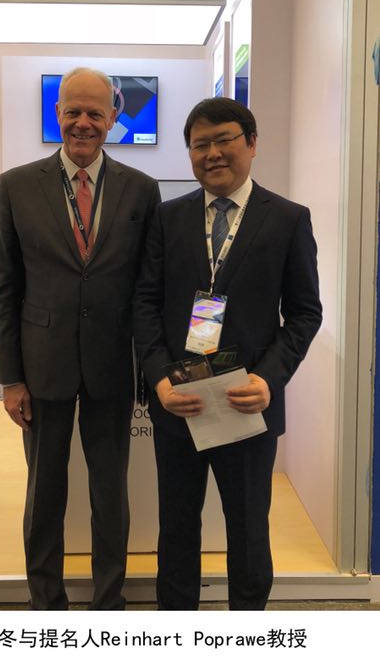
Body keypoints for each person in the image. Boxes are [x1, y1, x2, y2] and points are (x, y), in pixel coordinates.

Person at [133, 97, 322, 611]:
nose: (212, 153)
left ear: (252, 144)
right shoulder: (167, 218)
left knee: (248, 529)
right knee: (176, 527)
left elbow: (305, 313)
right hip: (180, 403)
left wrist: (268, 379)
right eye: (200, 145)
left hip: (247, 405)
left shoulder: (287, 219)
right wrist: (159, 379)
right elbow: (145, 304)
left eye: (224, 140)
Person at [0, 67, 161, 610]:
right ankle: (47, 604)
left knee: (110, 493)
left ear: (113, 116)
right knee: (44, 493)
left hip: (112, 365)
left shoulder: (142, 189)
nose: (83, 123)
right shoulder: (16, 185)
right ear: (57, 114)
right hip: (42, 368)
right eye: (73, 112)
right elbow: (6, 289)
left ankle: (109, 602)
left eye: (94, 112)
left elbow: (149, 288)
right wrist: (10, 378)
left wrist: (151, 368)